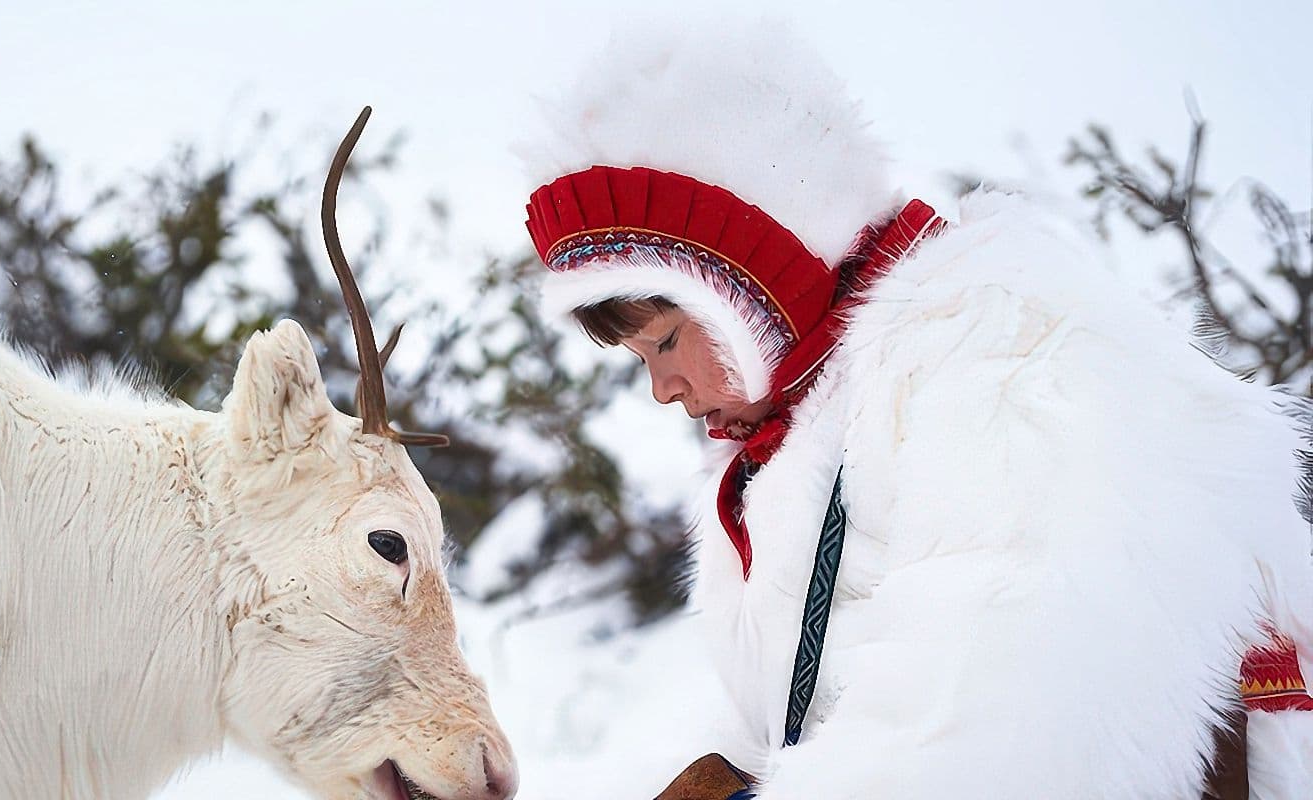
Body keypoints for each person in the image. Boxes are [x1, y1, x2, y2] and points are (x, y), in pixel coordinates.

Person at [517, 24, 1313, 799]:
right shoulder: (809, 421)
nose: (663, 389)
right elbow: (795, 726)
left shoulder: (1007, 360)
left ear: (746, 280)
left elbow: (1004, 733)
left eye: (664, 340)